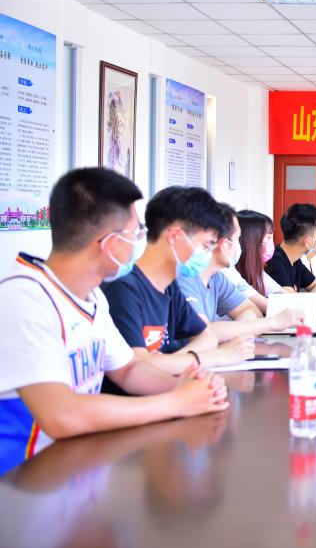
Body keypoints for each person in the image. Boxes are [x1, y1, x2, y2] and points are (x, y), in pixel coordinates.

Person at [0, 168, 229, 475]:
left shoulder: (93, 296)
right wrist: (176, 403)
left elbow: (128, 369)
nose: (140, 243)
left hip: (73, 467)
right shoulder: (23, 298)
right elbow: (61, 414)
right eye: (136, 234)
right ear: (110, 244)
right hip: (23, 480)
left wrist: (190, 387)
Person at [101, 187, 257, 391]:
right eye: (206, 246)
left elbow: (207, 336)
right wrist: (219, 356)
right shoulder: (123, 289)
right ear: (175, 236)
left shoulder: (170, 287)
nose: (208, 254)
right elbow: (138, 366)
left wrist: (171, 362)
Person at [177, 203, 303, 336]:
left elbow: (252, 310)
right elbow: (202, 332)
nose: (239, 245)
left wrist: (238, 333)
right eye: (238, 238)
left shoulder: (217, 277)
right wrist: (271, 323)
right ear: (224, 245)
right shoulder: (184, 276)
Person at [224, 210, 284, 314]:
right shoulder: (226, 271)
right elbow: (267, 307)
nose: (271, 243)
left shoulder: (255, 270)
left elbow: (281, 294)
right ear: (250, 241)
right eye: (269, 237)